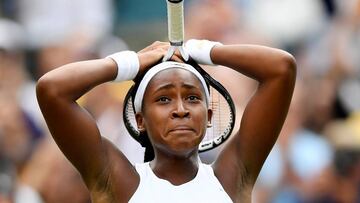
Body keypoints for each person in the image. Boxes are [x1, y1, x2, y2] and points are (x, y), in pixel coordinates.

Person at [36, 39, 296, 202]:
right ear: (140, 120)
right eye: (163, 99)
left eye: (193, 98)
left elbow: (282, 68)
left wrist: (200, 50)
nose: (180, 109)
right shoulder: (116, 182)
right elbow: (52, 90)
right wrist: (132, 63)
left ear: (208, 117)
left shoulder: (232, 178)